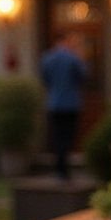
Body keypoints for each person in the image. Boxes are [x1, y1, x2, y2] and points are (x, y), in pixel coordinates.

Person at [40, 30, 88, 181]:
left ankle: (59, 169)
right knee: (68, 136)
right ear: (65, 41)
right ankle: (64, 169)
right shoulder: (73, 58)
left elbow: (45, 79)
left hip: (54, 103)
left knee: (57, 136)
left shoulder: (48, 58)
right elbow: (84, 76)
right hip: (70, 104)